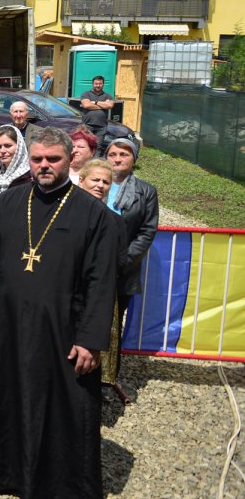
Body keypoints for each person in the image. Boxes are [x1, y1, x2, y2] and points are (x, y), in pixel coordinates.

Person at [0, 127, 118, 499]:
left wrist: (90, 339)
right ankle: (2, 476)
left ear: (70, 160)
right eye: (37, 159)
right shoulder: (10, 202)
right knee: (8, 399)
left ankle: (63, 492)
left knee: (64, 408)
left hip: (63, 330)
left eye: (53, 159)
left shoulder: (93, 214)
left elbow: (102, 282)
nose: (44, 166)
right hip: (11, 325)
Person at [103, 137, 158, 405]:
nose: (117, 159)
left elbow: (147, 231)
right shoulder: (96, 181)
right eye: (112, 154)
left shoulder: (146, 191)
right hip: (90, 267)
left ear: (133, 159)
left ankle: (108, 378)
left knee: (113, 325)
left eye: (123, 154)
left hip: (122, 270)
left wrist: (123, 261)